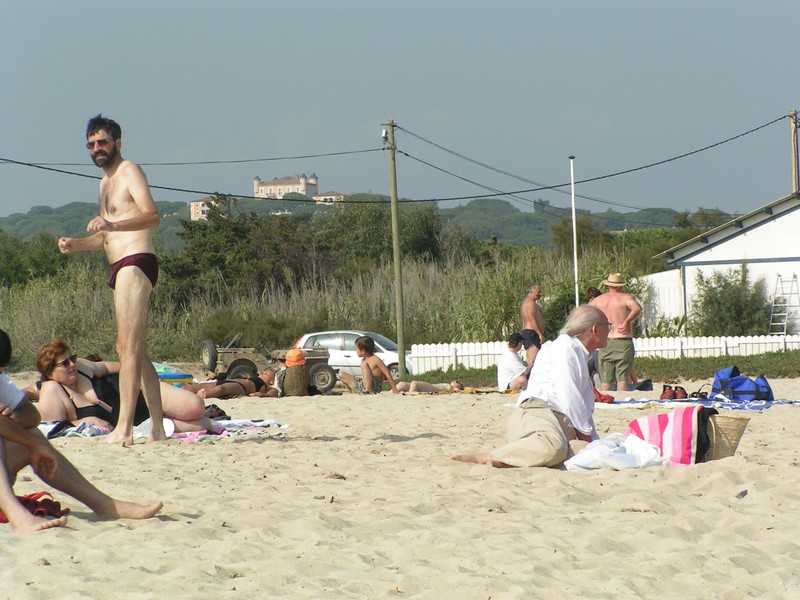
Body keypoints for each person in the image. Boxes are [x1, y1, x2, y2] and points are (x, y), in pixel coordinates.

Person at [57, 115, 164, 445]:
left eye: (102, 142)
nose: (96, 148)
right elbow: (106, 236)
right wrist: (76, 245)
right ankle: (157, 428)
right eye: (91, 144)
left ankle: (125, 429)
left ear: (117, 142)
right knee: (137, 349)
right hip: (119, 265)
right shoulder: (104, 183)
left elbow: (152, 216)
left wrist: (113, 225)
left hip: (136, 262)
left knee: (126, 347)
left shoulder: (129, 170)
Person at [0, 329, 161, 532]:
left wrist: (12, 418)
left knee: (33, 434)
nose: (72, 366)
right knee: (28, 440)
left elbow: (32, 415)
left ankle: (104, 505)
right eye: (64, 363)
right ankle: (18, 517)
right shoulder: (51, 388)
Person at [451, 305, 610, 468]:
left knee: (584, 451)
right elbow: (571, 400)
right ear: (595, 329)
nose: (610, 330)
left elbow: (583, 411)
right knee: (554, 448)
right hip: (537, 412)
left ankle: (508, 460)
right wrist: (589, 440)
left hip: (558, 421)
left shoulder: (578, 353)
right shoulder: (566, 347)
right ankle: (491, 456)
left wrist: (593, 443)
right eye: (608, 325)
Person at [34, 339, 212, 434]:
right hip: (137, 423)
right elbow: (53, 428)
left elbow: (116, 367)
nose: (72, 365)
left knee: (195, 407)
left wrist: (146, 378)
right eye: (64, 364)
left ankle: (189, 395)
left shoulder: (82, 368)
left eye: (72, 359)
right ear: (50, 373)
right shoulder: (53, 391)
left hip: (138, 393)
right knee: (205, 424)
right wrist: (79, 422)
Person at [589, 273, 642, 392]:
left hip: (605, 341)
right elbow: (637, 308)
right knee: (622, 378)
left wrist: (594, 326)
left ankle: (605, 400)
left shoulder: (599, 300)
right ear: (620, 285)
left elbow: (586, 312)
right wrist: (627, 321)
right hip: (622, 340)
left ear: (608, 285)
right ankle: (622, 401)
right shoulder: (625, 298)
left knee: (606, 380)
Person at [182, 369, 279, 400]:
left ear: (272, 380)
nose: (263, 372)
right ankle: (177, 395)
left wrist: (261, 394)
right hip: (230, 381)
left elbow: (273, 393)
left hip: (241, 387)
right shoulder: (254, 377)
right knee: (191, 387)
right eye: (263, 371)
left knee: (220, 389)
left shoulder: (269, 387)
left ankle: (198, 398)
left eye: (267, 373)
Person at [520, 283, 546, 367]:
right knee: (532, 360)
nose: (540, 294)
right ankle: (528, 378)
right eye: (538, 291)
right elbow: (531, 319)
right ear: (531, 291)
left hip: (532, 332)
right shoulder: (529, 304)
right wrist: (539, 334)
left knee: (536, 359)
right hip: (532, 333)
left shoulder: (532, 303)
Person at [396, 380, 464, 393]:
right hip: (431, 386)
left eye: (457, 382)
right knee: (402, 384)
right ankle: (390, 393)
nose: (455, 381)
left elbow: (458, 391)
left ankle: (411, 394)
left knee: (414, 383)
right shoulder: (450, 385)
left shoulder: (453, 388)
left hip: (433, 389)